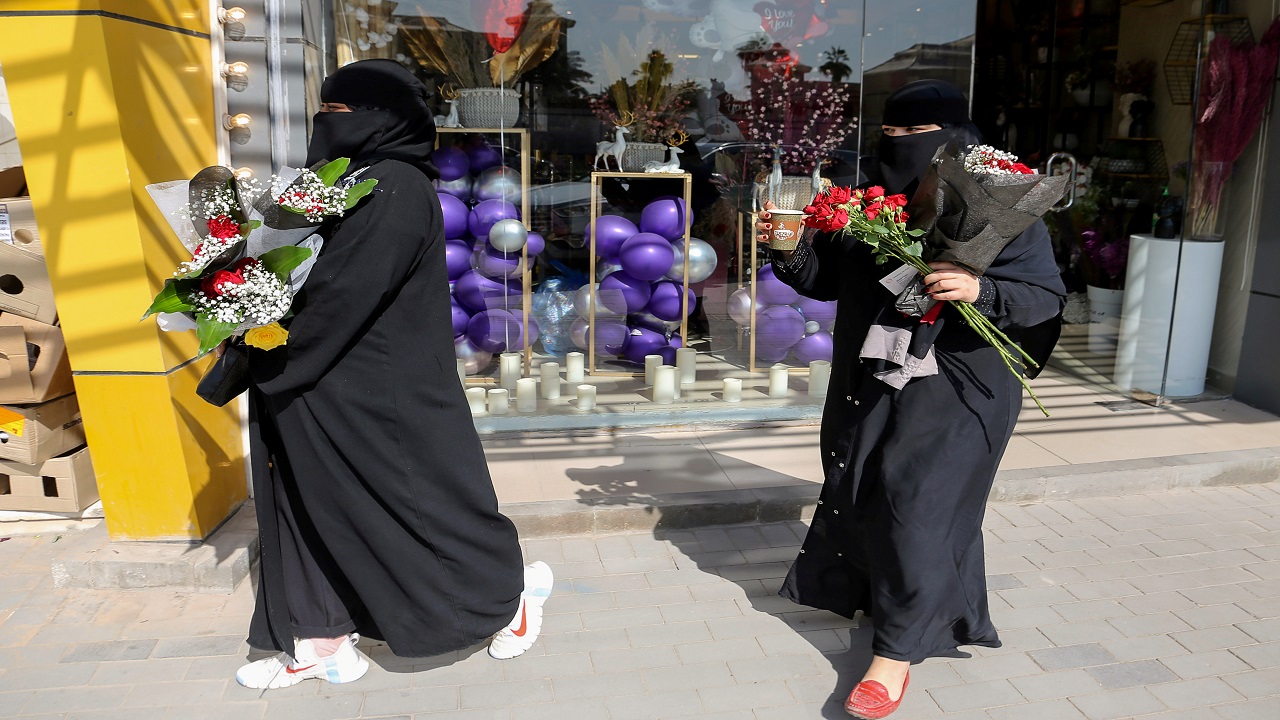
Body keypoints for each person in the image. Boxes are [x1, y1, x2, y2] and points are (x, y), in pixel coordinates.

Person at [236, 59, 553, 690]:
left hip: (378, 387)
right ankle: (321, 637)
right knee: (313, 506)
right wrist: (239, 289)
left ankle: (506, 598)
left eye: (338, 112)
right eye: (322, 111)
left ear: (381, 118)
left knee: (419, 507)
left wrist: (251, 333)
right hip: (321, 380)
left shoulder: (395, 186)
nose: (325, 124)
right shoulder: (341, 181)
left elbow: (341, 294)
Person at [756, 79, 1066, 719]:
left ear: (953, 140)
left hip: (961, 379)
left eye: (914, 135)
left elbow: (1043, 296)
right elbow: (827, 281)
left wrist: (979, 292)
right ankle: (902, 599)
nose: (897, 146)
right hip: (877, 375)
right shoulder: (869, 203)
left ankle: (892, 657)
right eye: (890, 134)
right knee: (870, 486)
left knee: (915, 500)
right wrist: (787, 249)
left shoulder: (1000, 198)